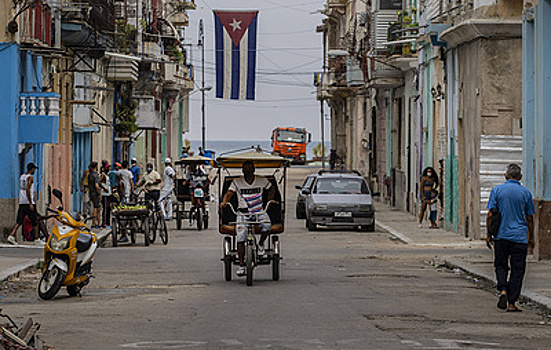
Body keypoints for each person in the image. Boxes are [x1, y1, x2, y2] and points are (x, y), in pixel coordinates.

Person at [486, 164, 535, 312]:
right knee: (517, 270)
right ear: (520, 177)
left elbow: (490, 214)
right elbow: (530, 217)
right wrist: (531, 237)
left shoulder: (497, 191)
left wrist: (488, 234)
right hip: (519, 237)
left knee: (501, 265)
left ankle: (503, 290)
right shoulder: (525, 193)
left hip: (501, 236)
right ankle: (512, 303)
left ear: (505, 176)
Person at [219, 160, 276, 276]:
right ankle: (241, 265)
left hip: (258, 211)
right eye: (246, 168)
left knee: (267, 226)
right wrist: (224, 202)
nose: (248, 171)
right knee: (240, 236)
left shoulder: (261, 180)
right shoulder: (237, 182)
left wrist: (269, 200)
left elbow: (272, 188)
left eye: (250, 168)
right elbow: (229, 193)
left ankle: (260, 243)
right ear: (243, 170)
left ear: (254, 169)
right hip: (242, 213)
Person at [8, 163, 41, 245]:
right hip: (28, 202)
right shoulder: (30, 178)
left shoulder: (22, 177)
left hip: (22, 201)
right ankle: (37, 239)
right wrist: (30, 202)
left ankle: (11, 235)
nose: (34, 171)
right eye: (34, 169)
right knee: (35, 221)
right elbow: (28, 189)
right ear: (31, 169)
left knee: (19, 220)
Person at [88, 161, 102, 228]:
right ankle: (97, 223)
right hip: (95, 193)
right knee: (97, 209)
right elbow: (96, 185)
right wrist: (99, 192)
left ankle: (94, 223)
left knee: (94, 207)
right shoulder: (95, 175)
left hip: (91, 192)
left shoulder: (89, 175)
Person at [100, 163, 111, 227]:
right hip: (105, 194)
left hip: (108, 194)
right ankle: (104, 223)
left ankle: (107, 222)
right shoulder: (103, 175)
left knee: (107, 209)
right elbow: (99, 182)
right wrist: (105, 188)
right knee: (105, 209)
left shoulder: (107, 175)